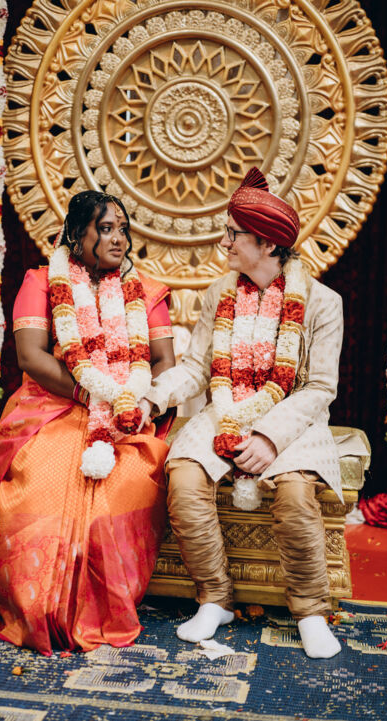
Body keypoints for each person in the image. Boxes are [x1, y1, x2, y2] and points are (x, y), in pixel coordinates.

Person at [140, 167, 344, 659]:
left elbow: (320, 387)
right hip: (226, 407)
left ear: (268, 244)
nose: (224, 241)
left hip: (292, 418)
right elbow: (196, 367)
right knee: (183, 478)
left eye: (233, 233)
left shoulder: (323, 303)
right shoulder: (220, 293)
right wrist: (152, 398)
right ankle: (215, 599)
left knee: (295, 494)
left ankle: (311, 612)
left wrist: (269, 437)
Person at [0, 190, 175, 656]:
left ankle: (101, 612)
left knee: (123, 482)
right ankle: (39, 608)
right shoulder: (41, 281)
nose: (119, 239)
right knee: (45, 479)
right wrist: (88, 393)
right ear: (76, 234)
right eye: (106, 229)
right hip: (53, 405)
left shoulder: (145, 291)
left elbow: (164, 363)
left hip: (124, 416)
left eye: (123, 229)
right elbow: (30, 356)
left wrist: (136, 403)